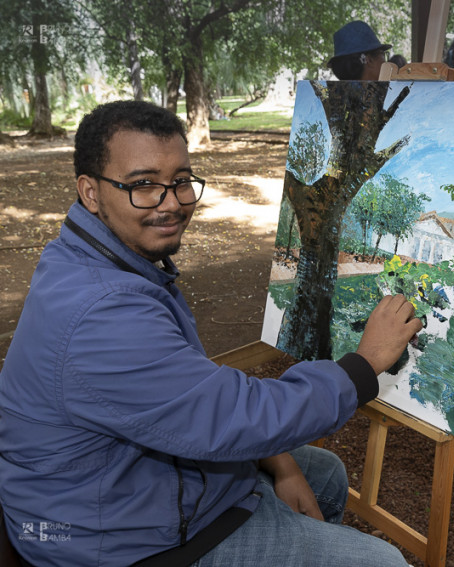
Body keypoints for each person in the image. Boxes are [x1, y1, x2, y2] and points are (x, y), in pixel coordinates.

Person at [0, 100, 422, 566]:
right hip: (105, 537)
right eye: (143, 185)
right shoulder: (102, 310)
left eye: (181, 181)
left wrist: (277, 458)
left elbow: (192, 391)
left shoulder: (96, 257)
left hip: (119, 484)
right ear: (91, 192)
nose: (173, 202)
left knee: (323, 473)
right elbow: (228, 416)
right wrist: (362, 366)